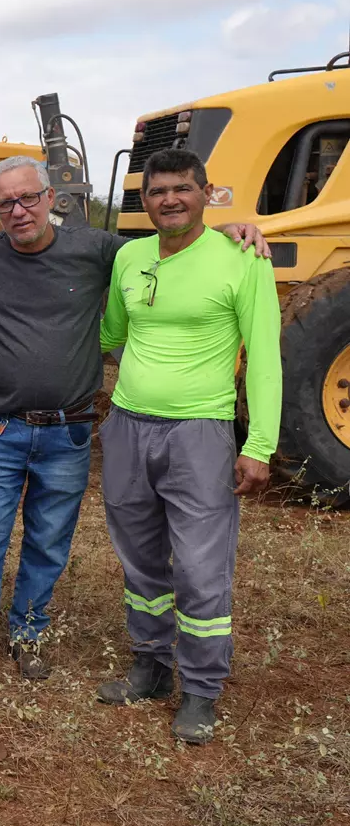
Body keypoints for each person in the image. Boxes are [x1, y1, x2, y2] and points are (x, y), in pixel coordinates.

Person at [0, 157, 271, 693]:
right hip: (0, 430)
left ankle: (29, 635)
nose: (18, 211)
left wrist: (232, 230)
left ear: (52, 198)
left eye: (28, 199)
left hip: (71, 432)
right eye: (5, 204)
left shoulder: (99, 249)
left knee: (49, 541)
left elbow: (176, 242)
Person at [95, 147, 281, 745]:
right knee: (140, 557)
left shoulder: (241, 257)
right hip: (127, 426)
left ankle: (200, 689)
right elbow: (111, 334)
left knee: (201, 567)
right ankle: (150, 665)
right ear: (143, 199)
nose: (169, 199)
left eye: (182, 188)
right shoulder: (130, 256)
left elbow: (266, 359)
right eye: (157, 191)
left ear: (207, 192)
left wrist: (260, 444)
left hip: (200, 432)